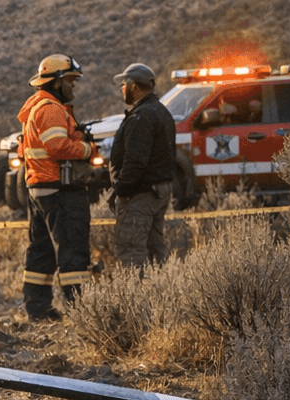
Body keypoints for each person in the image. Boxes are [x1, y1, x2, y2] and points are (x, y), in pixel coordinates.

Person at [18, 54, 94, 320]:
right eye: (71, 80)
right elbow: (58, 146)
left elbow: (22, 150)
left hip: (40, 189)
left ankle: (37, 309)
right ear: (57, 81)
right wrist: (88, 148)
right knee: (72, 250)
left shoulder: (35, 107)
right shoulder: (50, 109)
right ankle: (81, 312)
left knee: (41, 251)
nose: (74, 86)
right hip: (61, 190)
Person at [108, 63, 176, 270]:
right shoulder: (160, 111)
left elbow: (135, 160)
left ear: (133, 86)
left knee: (130, 251)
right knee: (155, 250)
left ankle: (136, 299)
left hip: (140, 195)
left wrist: (122, 191)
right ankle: (159, 296)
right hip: (157, 191)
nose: (122, 88)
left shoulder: (141, 116)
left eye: (123, 84)